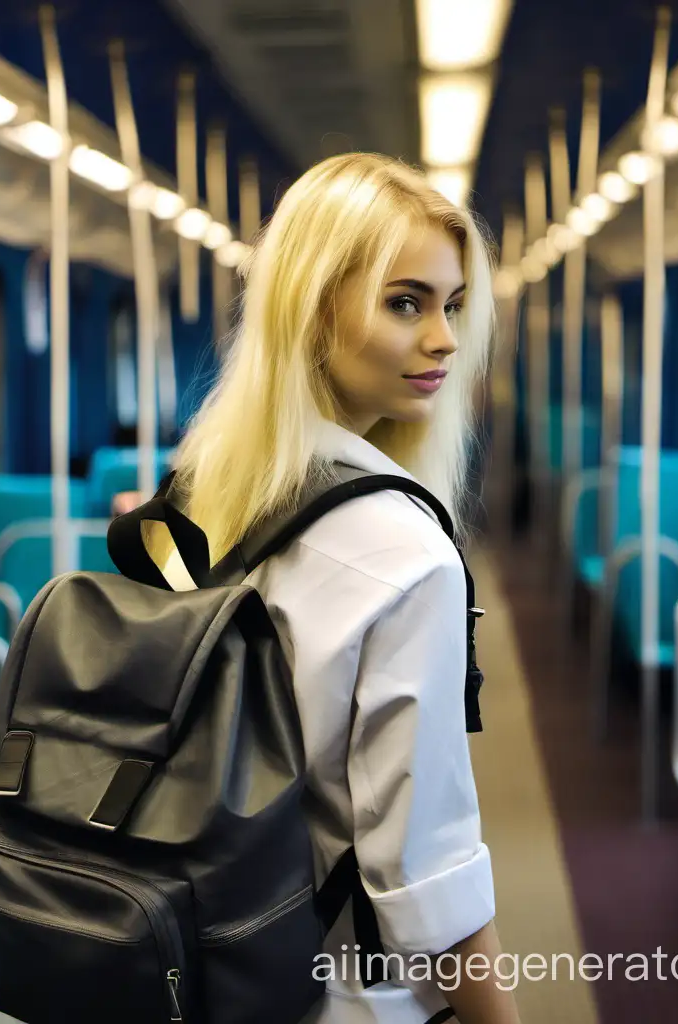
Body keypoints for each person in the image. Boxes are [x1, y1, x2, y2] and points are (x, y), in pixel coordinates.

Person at [147, 152, 521, 1024]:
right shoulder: (407, 556)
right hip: (337, 989)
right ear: (314, 312)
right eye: (406, 303)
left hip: (189, 951)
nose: (446, 341)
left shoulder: (201, 494)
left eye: (453, 306)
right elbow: (423, 871)